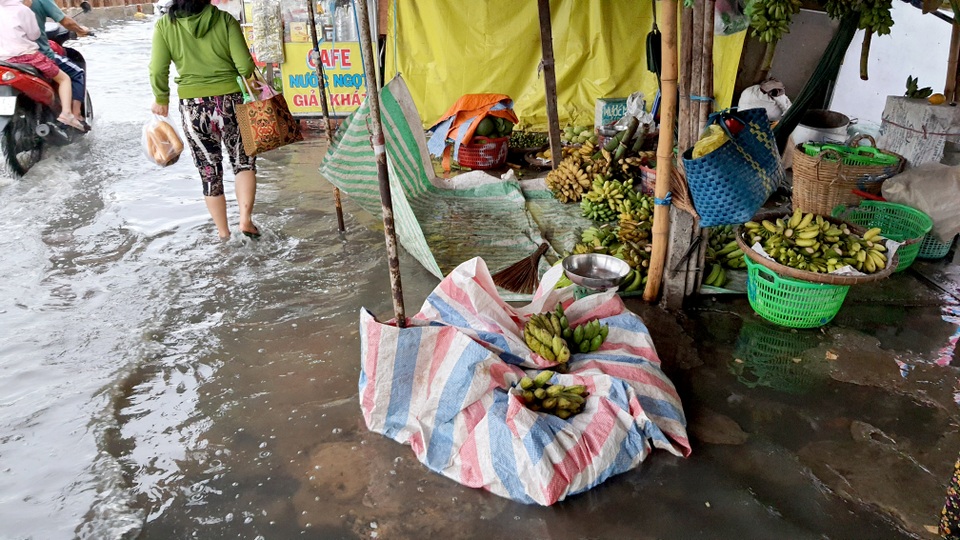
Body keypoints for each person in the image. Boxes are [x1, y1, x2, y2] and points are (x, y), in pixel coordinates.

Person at [149, 0, 260, 240]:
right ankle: (245, 220)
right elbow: (244, 66)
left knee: (209, 170)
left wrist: (161, 97)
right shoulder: (225, 20)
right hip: (231, 102)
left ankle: (223, 234)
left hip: (193, 107)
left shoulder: (165, 26)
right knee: (243, 162)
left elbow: (158, 69)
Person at [0, 0, 84, 130]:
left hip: (4, 60)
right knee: (64, 78)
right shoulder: (23, 10)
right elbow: (35, 35)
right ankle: (68, 113)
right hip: (27, 57)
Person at [26, 0, 89, 128]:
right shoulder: (34, 3)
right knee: (77, 72)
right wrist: (80, 30)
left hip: (5, 59)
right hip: (33, 55)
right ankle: (75, 115)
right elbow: (66, 22)